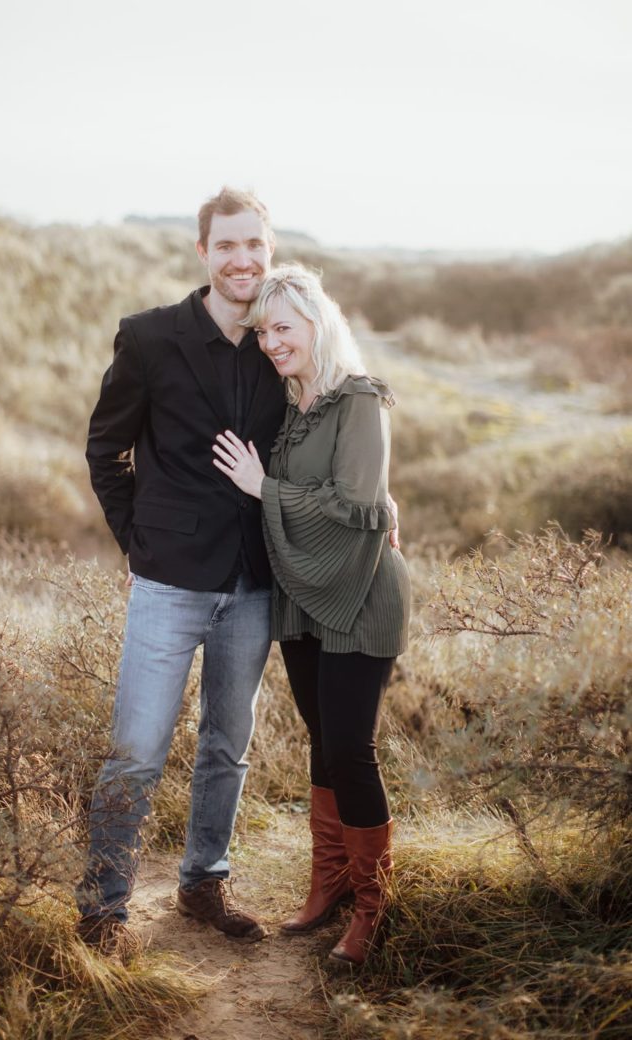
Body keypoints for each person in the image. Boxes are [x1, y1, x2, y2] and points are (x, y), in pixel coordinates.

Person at [76, 188, 287, 961]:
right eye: (227, 245)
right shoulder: (150, 337)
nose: (242, 260)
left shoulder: (280, 338)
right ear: (203, 251)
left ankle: (204, 882)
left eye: (254, 245)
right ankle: (103, 907)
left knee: (227, 744)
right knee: (136, 748)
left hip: (255, 584)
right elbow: (107, 450)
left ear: (270, 248)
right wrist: (138, 544)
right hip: (167, 581)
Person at [212, 263, 411, 967]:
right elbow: (353, 500)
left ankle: (369, 906)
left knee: (351, 749)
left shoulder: (358, 398)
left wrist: (264, 487)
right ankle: (326, 884)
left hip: (357, 593)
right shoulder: (293, 406)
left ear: (316, 324)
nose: (270, 342)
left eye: (282, 327)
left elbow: (356, 505)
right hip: (300, 594)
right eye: (263, 329)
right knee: (322, 743)